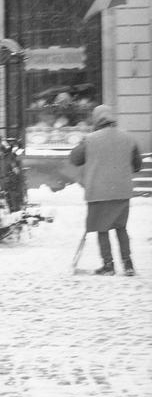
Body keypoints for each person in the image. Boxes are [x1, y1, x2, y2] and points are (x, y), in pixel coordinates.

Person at [69, 104, 142, 276]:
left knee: (102, 229)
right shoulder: (128, 138)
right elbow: (137, 166)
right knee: (121, 228)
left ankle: (108, 265)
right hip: (121, 191)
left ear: (96, 120)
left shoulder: (90, 139)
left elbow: (75, 159)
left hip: (98, 191)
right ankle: (128, 264)